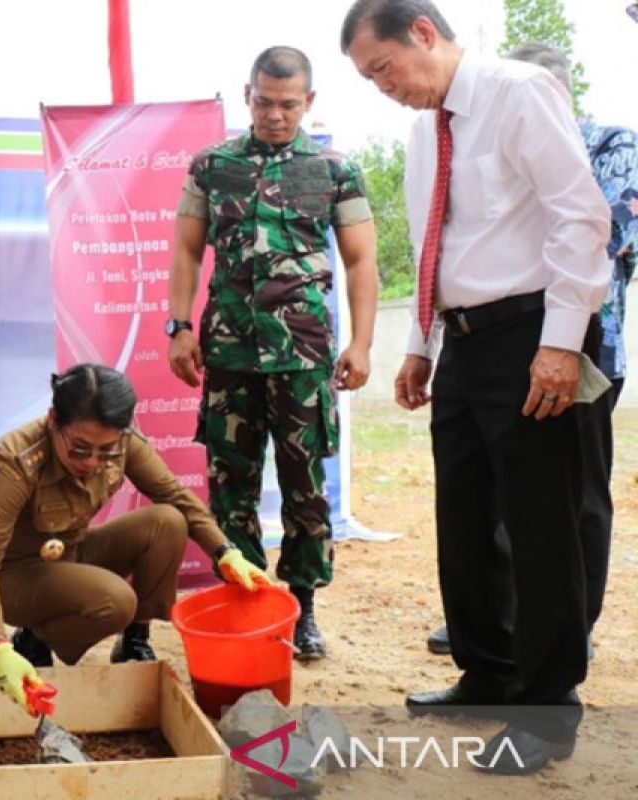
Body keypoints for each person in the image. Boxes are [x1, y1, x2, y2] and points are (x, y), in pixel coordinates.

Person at [341, 0, 611, 774]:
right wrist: (422, 345)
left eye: (384, 68)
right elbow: (439, 245)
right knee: (462, 514)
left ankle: (548, 706)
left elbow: (578, 219)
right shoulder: (424, 130)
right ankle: (488, 669)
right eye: (368, 78)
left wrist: (562, 343)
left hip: (533, 335)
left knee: (541, 522)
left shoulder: (519, 92)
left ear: (423, 32)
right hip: (460, 343)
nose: (383, 87)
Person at [426, 43, 638, 659]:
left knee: (577, 501)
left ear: (560, 91)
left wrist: (561, 333)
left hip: (585, 342)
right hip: (507, 336)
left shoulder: (610, 144)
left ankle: (575, 624)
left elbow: (607, 230)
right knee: (497, 499)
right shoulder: (472, 135)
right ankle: (506, 627)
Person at [167, 46, 379, 661]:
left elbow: (362, 260)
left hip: (303, 355)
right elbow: (186, 250)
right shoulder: (212, 165)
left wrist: (361, 343)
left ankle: (304, 606)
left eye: (288, 104)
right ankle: (243, 599)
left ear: (309, 101)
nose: (275, 115)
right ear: (247, 95)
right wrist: (179, 326)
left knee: (304, 486)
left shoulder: (336, 171)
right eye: (264, 101)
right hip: (229, 352)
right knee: (230, 482)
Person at [0, 364, 268, 711]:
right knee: (116, 600)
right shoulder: (14, 460)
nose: (92, 461)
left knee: (167, 522)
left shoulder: (123, 444)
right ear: (53, 420)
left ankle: (135, 641)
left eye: (105, 450)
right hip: (14, 576)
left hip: (70, 555)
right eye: (79, 448)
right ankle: (33, 636)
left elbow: (175, 495)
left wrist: (225, 552)